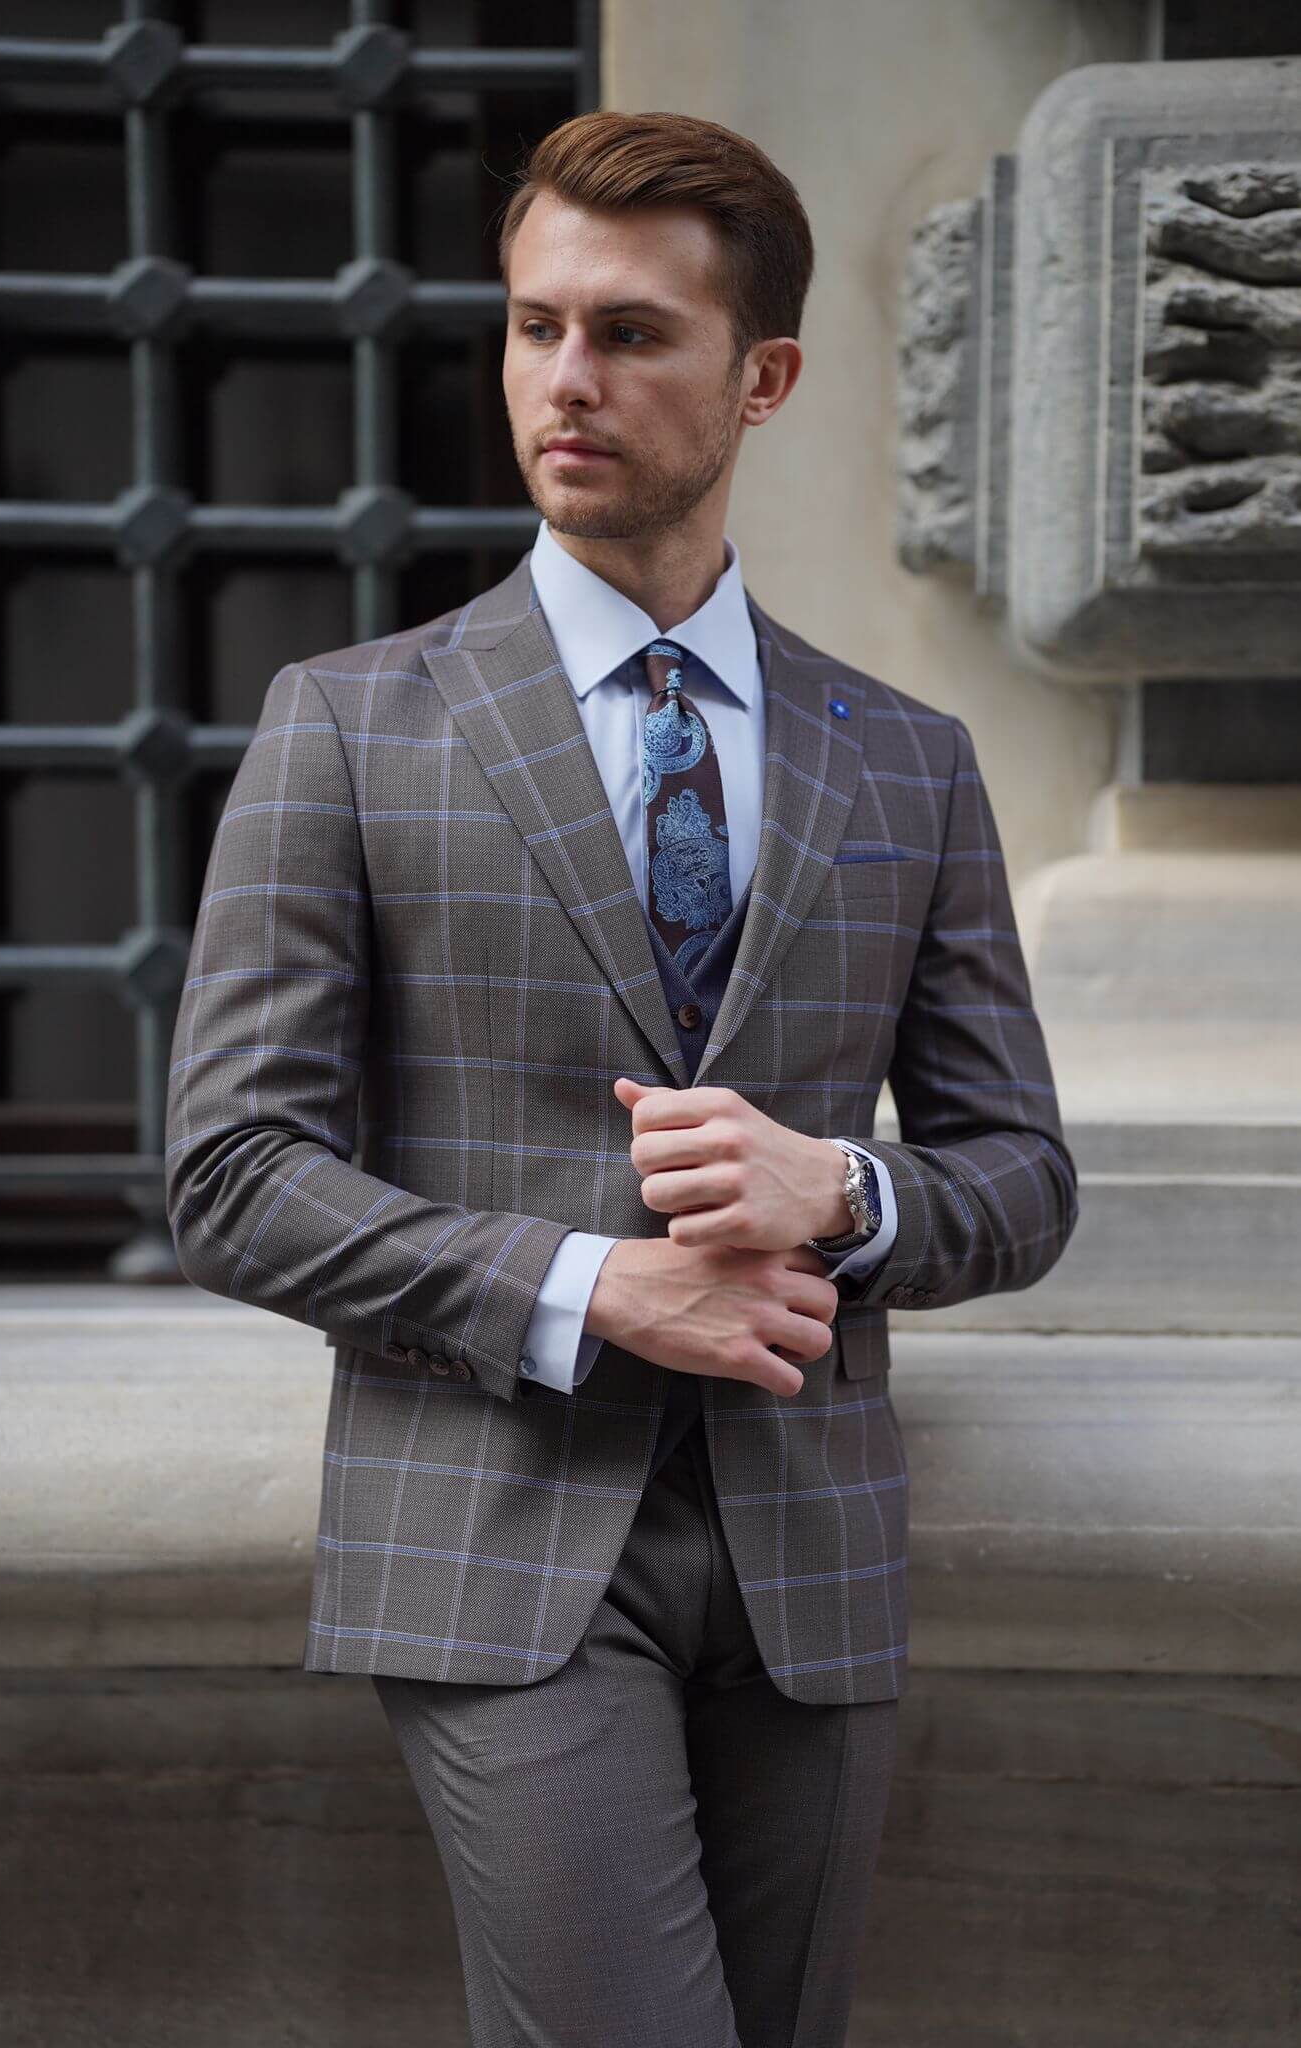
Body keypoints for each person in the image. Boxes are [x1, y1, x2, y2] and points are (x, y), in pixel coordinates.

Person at [165, 108, 1078, 2048]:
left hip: (807, 1560)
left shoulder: (903, 761)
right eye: (531, 326)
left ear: (764, 378)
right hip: (499, 1545)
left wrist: (846, 1189)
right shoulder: (347, 729)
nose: (561, 381)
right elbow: (230, 1164)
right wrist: (591, 1287)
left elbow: (1019, 1169)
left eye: (629, 334)